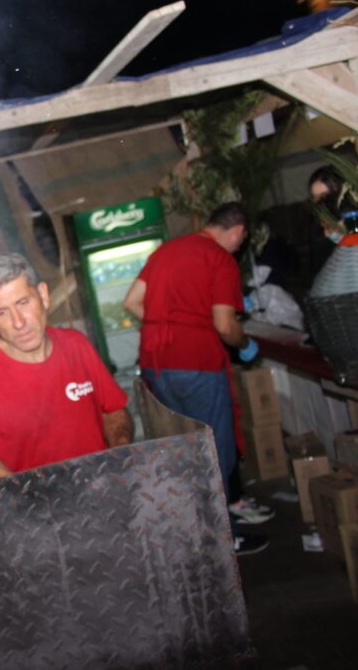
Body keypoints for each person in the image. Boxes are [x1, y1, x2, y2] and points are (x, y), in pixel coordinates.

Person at [122, 202, 267, 556]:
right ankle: (224, 538)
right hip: (197, 363)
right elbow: (225, 325)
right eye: (241, 240)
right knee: (215, 453)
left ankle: (196, 533)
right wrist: (246, 345)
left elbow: (131, 302)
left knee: (182, 450)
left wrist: (169, 323)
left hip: (156, 363)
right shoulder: (220, 259)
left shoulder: (166, 251)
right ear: (238, 231)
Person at [0, 253, 133, 484]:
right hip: (33, 507)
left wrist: (119, 451)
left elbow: (113, 410)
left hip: (100, 487)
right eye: (1, 312)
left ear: (43, 295)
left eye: (23, 303)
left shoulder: (76, 345)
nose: (18, 322)